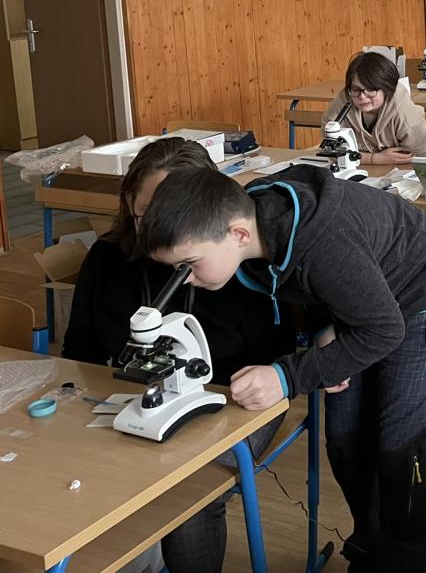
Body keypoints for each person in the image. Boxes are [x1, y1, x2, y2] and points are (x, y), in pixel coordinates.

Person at [140, 163, 426, 573]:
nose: (186, 279)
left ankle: (406, 564)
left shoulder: (323, 245)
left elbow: (383, 328)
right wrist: (326, 328)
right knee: (346, 438)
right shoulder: (254, 222)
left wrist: (287, 377)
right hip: (366, 295)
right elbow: (309, 281)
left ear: (238, 234)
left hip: (423, 290)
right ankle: (372, 548)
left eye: (189, 264)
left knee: (406, 451)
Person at [63, 138, 295, 573]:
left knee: (188, 499)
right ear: (128, 205)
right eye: (146, 215)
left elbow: (276, 360)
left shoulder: (238, 266)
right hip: (135, 402)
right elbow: (80, 353)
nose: (159, 228)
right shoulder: (107, 258)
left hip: (234, 403)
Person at [323, 50, 426, 164]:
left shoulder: (404, 112)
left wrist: (358, 157)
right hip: (361, 169)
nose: (362, 96)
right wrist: (374, 158)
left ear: (386, 88)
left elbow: (421, 157)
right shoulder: (342, 102)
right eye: (356, 89)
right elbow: (330, 151)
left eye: (370, 89)